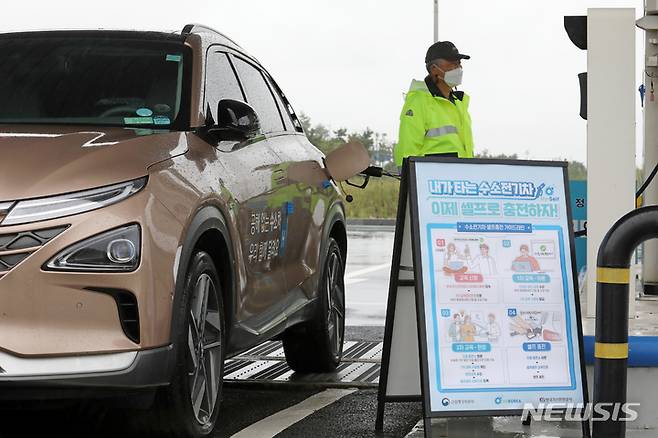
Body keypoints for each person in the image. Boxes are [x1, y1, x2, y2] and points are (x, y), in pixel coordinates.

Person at [394, 41, 474, 167]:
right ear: (434, 69)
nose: (458, 69)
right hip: (431, 182)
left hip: (460, 180)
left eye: (459, 64)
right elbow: (407, 148)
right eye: (452, 64)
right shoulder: (419, 102)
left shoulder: (459, 104)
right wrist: (410, 181)